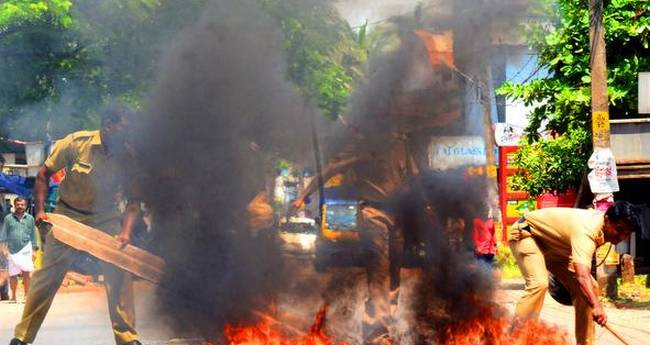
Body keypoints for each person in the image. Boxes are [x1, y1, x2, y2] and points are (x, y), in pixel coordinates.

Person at [7, 105, 143, 345]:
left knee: (120, 274)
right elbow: (43, 174)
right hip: (68, 215)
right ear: (108, 125)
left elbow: (133, 201)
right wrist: (39, 211)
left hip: (106, 217)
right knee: (46, 278)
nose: (129, 133)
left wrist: (125, 232)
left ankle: (128, 339)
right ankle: (22, 338)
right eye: (125, 127)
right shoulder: (76, 142)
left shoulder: (128, 156)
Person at [292, 132, 419, 345]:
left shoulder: (401, 144)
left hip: (397, 215)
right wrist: (303, 195)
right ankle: (377, 333)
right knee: (378, 274)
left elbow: (414, 177)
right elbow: (330, 170)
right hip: (371, 213)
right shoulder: (362, 146)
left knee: (394, 274)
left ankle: (388, 323)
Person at [508, 201, 640, 345]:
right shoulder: (587, 230)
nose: (622, 237)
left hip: (555, 247)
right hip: (528, 234)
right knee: (539, 283)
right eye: (619, 230)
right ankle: (515, 339)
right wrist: (596, 306)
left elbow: (584, 280)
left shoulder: (600, 227)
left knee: (591, 288)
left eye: (627, 233)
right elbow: (582, 276)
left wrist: (593, 301)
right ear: (607, 219)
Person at [0, 198, 37, 303]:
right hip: (12, 249)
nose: (20, 206)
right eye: (18, 204)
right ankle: (13, 297)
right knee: (13, 274)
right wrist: (4, 248)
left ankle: (26, 296)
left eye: (22, 204)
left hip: (26, 248)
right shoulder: (8, 218)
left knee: (26, 273)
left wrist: (34, 249)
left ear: (25, 206)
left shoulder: (30, 218)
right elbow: (3, 234)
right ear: (14, 205)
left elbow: (33, 235)